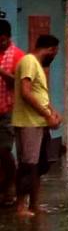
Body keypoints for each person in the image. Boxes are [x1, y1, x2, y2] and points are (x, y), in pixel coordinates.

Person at [12, 34, 61, 217]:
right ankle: (20, 206)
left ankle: (34, 204)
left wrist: (52, 112)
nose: (54, 55)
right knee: (28, 165)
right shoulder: (29, 61)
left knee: (40, 166)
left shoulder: (36, 65)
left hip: (39, 122)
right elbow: (26, 93)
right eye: (55, 52)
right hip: (29, 122)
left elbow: (39, 94)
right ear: (50, 49)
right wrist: (46, 114)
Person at [0, 20, 24, 208]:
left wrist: (1, 72)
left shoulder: (18, 56)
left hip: (7, 111)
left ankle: (10, 188)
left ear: (8, 37)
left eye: (1, 40)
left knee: (4, 150)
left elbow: (20, 84)